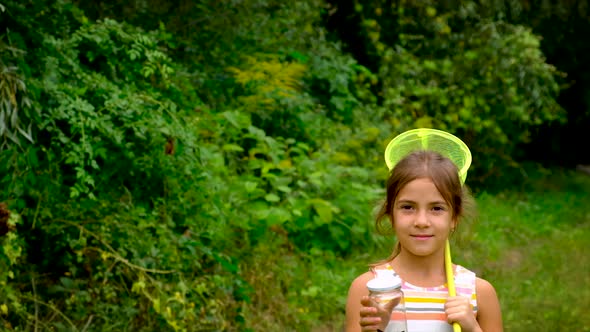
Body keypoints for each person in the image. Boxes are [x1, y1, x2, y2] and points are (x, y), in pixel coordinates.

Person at [345, 129, 503, 332]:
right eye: (408, 207)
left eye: (437, 208)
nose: (421, 221)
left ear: (454, 217)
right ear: (390, 214)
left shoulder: (479, 293)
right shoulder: (369, 290)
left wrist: (473, 329)